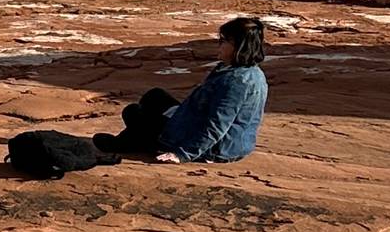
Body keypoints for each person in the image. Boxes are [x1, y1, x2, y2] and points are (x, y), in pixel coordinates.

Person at [100, 16, 270, 163]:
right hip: (210, 130)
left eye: (224, 41)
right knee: (155, 96)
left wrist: (183, 154)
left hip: (216, 148)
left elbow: (217, 123)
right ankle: (138, 137)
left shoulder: (236, 82)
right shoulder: (246, 72)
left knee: (133, 113)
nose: (219, 45)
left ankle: (126, 143)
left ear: (237, 46)